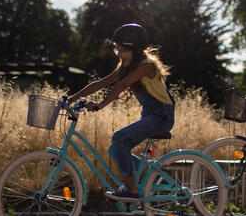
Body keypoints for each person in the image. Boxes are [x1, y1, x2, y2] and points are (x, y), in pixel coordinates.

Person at [67, 23, 175, 202]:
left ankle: (132, 191)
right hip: (150, 115)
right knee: (114, 150)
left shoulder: (147, 65)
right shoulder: (127, 67)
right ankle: (153, 175)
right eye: (116, 49)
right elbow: (100, 83)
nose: (118, 54)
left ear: (135, 49)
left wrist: (100, 105)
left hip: (161, 116)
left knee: (119, 138)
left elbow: (122, 84)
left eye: (122, 50)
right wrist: (71, 99)